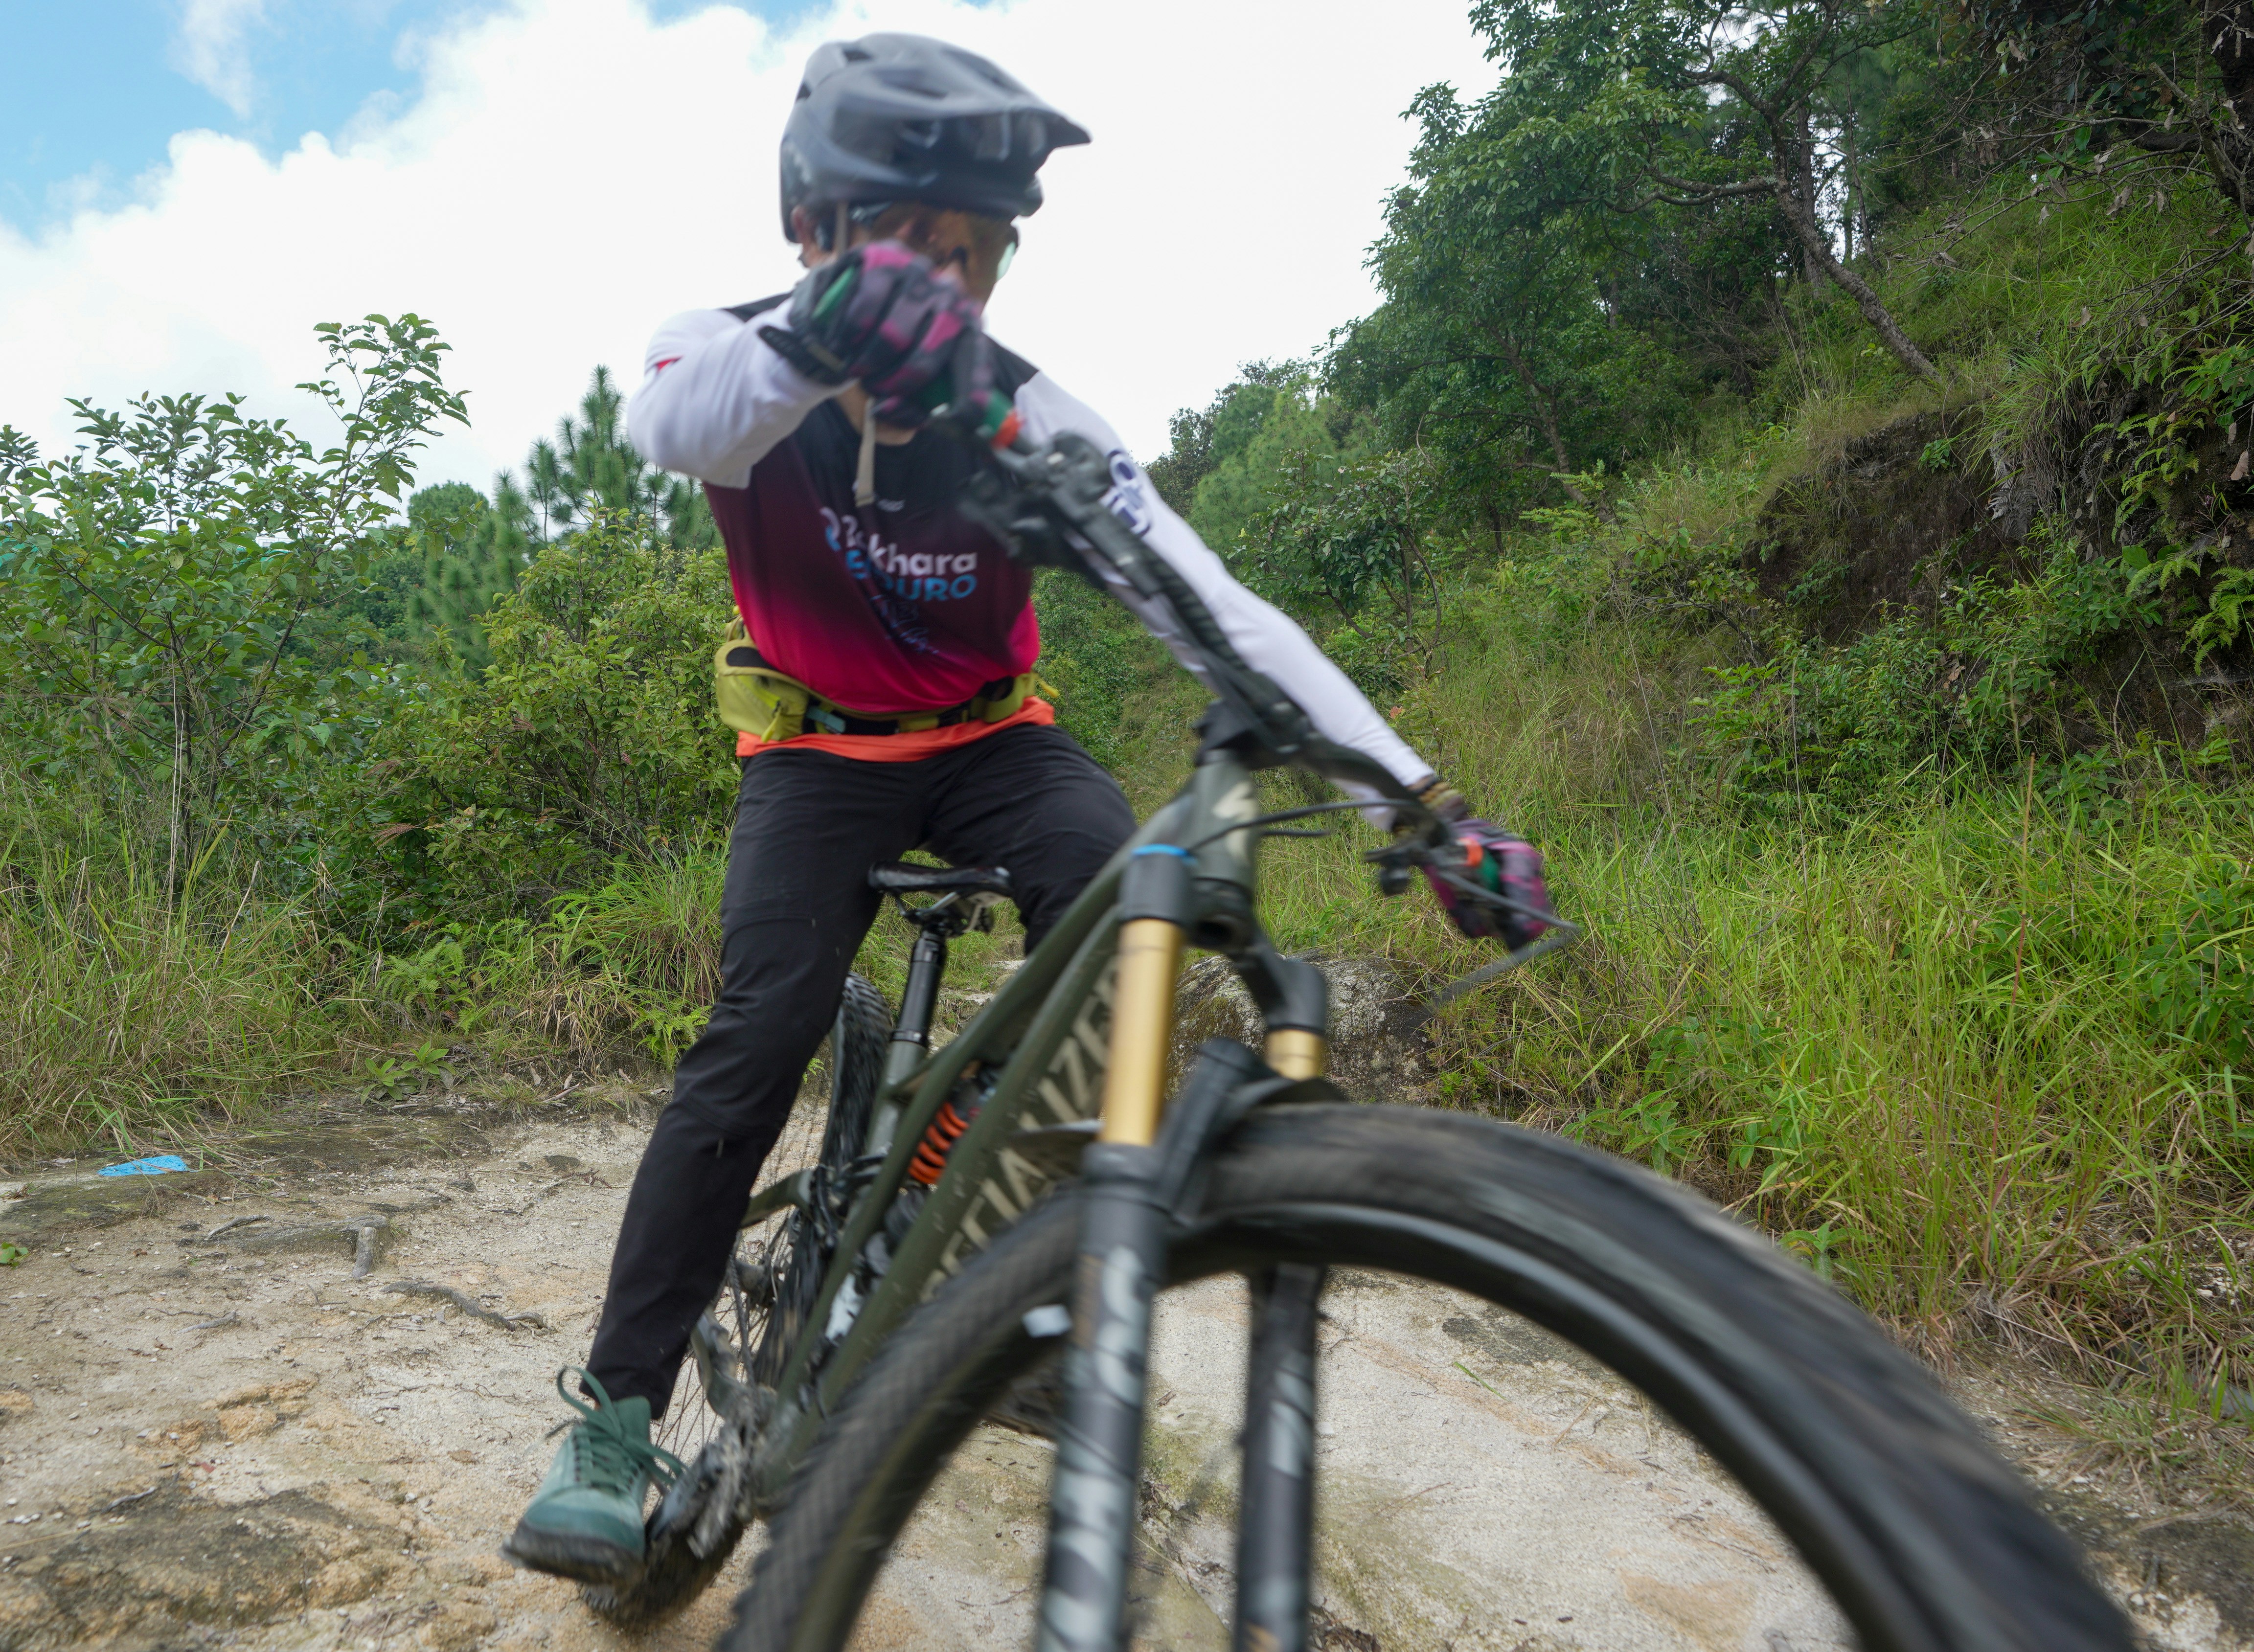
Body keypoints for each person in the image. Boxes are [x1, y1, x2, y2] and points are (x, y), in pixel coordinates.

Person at [501, 32, 1552, 1584]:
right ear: (811, 231)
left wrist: (1420, 796)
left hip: (993, 738)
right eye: (907, 244)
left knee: (1125, 889)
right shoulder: (720, 350)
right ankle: (616, 1415)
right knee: (757, 1034)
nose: (947, 284)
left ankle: (989, 1250)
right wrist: (824, 334)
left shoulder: (1025, 413)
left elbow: (1217, 604)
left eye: (974, 253)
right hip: (814, 754)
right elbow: (679, 429)